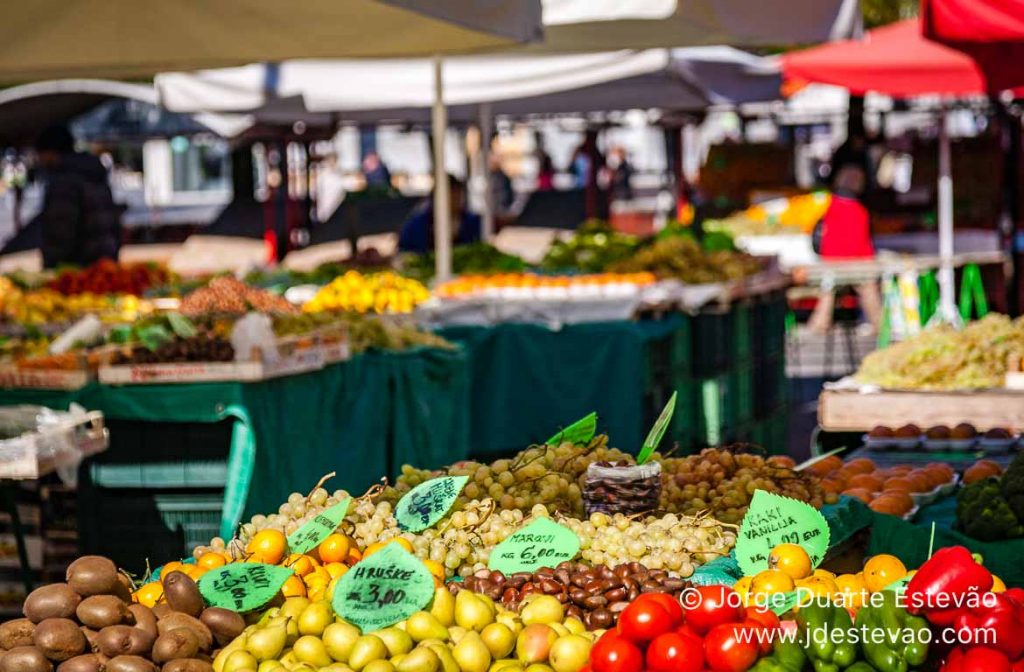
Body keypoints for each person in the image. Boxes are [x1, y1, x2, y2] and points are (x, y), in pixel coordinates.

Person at [808, 164, 882, 332]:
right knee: (869, 290)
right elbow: (863, 243)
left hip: (831, 264)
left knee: (828, 291)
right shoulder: (860, 210)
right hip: (858, 265)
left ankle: (820, 323)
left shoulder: (829, 206)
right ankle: (879, 324)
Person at [33, 125, 120, 268]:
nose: (39, 159)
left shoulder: (64, 180)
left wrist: (51, 267)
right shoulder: (92, 171)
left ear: (50, 152)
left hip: (78, 269)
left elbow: (60, 232)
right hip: (106, 261)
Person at [398, 175, 481, 253]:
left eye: (457, 196)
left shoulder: (473, 222)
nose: (455, 201)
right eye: (451, 196)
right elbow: (404, 251)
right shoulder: (416, 224)